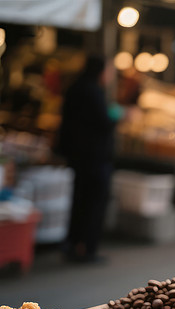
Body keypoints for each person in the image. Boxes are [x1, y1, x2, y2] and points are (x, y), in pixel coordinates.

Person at [57, 55, 117, 263]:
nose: (111, 75)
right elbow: (104, 121)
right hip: (94, 157)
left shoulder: (75, 87)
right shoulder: (93, 91)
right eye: (110, 70)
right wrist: (120, 115)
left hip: (78, 156)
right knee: (93, 203)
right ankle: (87, 248)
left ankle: (73, 244)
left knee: (79, 200)